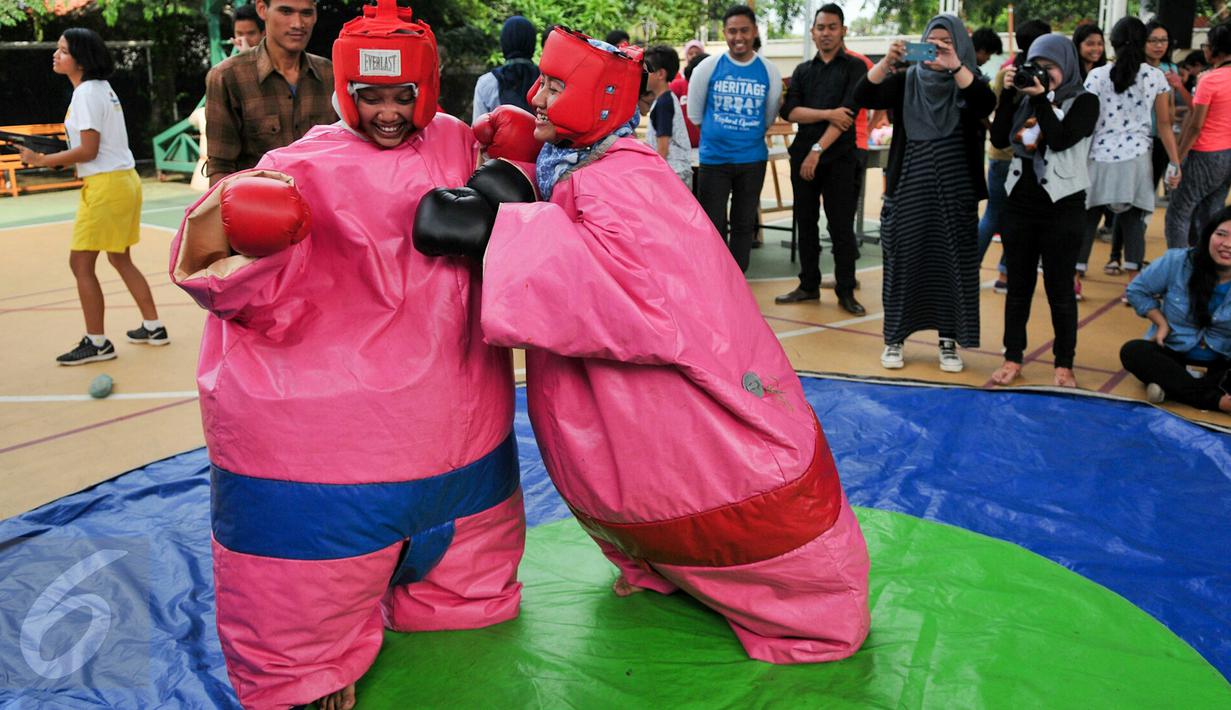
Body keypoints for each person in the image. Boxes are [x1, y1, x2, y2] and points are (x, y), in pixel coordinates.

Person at [415, 26, 870, 665]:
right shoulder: (593, 160)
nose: (538, 95)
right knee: (630, 474)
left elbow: (636, 296)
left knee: (679, 468)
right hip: (614, 392)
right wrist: (528, 169)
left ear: (599, 102)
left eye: (555, 85)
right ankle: (661, 565)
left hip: (667, 388)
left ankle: (805, 609)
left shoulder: (628, 180)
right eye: (541, 81)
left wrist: (501, 232)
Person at [170, 2, 530, 707]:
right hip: (334, 440)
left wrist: (514, 164)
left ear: (427, 92)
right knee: (306, 588)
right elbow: (210, 263)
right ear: (344, 93)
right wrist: (243, 222)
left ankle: (453, 593)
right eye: (371, 97)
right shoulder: (298, 165)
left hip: (456, 427)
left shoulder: (454, 144)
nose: (389, 113)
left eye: (404, 97)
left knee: (469, 574)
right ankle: (310, 665)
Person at [854, 15, 996, 372]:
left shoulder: (968, 81)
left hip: (955, 190)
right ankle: (895, 338)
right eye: (929, 42)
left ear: (959, 46)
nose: (935, 49)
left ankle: (948, 341)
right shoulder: (904, 82)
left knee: (954, 264)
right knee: (904, 262)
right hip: (909, 187)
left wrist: (955, 65)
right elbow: (863, 94)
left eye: (944, 43)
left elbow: (984, 104)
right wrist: (887, 63)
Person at [19, 28, 167, 365]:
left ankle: (97, 343)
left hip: (106, 187)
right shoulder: (103, 89)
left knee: (80, 262)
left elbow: (87, 150)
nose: (56, 55)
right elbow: (91, 149)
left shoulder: (85, 93)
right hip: (123, 181)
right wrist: (56, 158)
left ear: (81, 59)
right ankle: (153, 326)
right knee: (119, 258)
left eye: (63, 50)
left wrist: (41, 160)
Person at [989, 35, 1100, 388]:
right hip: (1020, 203)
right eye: (1035, 66)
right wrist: (1009, 95)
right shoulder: (1024, 98)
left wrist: (1041, 100)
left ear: (1065, 66)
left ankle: (1064, 363)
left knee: (1059, 289)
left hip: (1063, 206)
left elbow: (1061, 138)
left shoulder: (1085, 101)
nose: (1041, 73)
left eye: (1049, 67)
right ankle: (1012, 356)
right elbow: (999, 140)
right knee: (1018, 285)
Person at [775, 4, 868, 315]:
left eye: (832, 27)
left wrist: (817, 150)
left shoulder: (855, 68)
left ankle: (845, 289)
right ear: (813, 33)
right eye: (820, 27)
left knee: (841, 226)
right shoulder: (803, 71)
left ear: (843, 31)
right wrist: (828, 113)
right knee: (806, 223)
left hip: (840, 158)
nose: (826, 33)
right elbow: (790, 112)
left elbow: (848, 115)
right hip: (802, 157)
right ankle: (808, 284)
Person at [1077, 17, 1181, 283]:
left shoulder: (1097, 75)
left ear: (1113, 42)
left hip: (1098, 156)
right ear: (1142, 42)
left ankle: (1075, 278)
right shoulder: (1155, 76)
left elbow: (1086, 122)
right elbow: (1165, 123)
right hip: (1136, 158)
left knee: (1089, 218)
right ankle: (1133, 283)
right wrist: (1175, 162)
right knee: (1133, 221)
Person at [688, 4, 782, 272]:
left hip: (752, 161)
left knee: (743, 225)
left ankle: (738, 280)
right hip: (715, 161)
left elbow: (768, 115)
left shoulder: (769, 71)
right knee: (714, 224)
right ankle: (716, 279)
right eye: (732, 31)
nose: (738, 37)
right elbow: (696, 114)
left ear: (754, 32)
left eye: (744, 30)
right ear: (725, 33)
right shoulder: (708, 67)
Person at [204, 0, 335, 185]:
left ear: (315, 15)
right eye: (286, 11)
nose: (298, 24)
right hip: (256, 208)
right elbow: (220, 168)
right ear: (262, 9)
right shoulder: (228, 77)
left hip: (321, 208)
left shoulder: (330, 74)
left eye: (306, 13)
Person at [1121, 206, 1231, 412]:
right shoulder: (1178, 261)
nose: (1227, 244)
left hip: (1221, 362)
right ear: (1209, 234)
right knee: (1133, 351)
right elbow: (1137, 290)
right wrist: (1160, 323)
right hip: (1174, 355)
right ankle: (1215, 399)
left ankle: (1172, 389)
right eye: (1221, 234)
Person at [982, 19, 1052, 294]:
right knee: (998, 217)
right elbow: (997, 115)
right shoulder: (1009, 76)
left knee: (1003, 218)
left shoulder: (1009, 73)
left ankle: (1004, 274)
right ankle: (980, 270)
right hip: (1008, 156)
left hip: (1009, 156)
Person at [1166, 22, 1231, 250]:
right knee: (1211, 215)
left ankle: (1179, 271)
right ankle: (1207, 268)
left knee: (1178, 213)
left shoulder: (1210, 79)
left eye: (1206, 45)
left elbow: (1195, 125)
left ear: (1215, 49)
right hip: (1227, 156)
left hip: (1204, 153)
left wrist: (1177, 160)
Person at [642, 45, 693, 187]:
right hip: (674, 172)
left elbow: (663, 147)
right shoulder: (663, 100)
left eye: (647, 71)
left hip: (673, 175)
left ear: (660, 74)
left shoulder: (664, 103)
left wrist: (654, 176)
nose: (643, 75)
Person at [472, 15, 538, 121]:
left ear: (504, 43)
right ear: (532, 43)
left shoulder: (486, 83)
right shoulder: (546, 82)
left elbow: (477, 132)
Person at [669, 40, 704, 149]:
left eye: (697, 53)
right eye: (690, 53)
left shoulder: (709, 85)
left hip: (704, 146)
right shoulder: (678, 84)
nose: (694, 56)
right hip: (681, 146)